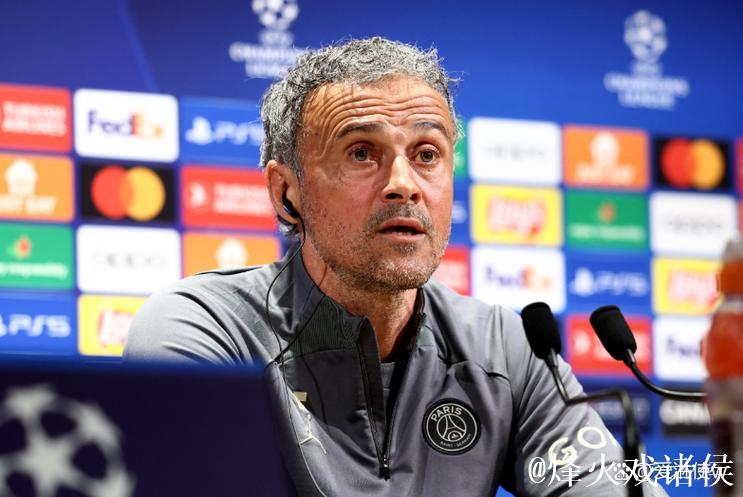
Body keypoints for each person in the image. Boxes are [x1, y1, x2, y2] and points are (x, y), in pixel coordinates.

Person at [125, 37, 667, 497]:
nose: (404, 184)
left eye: (427, 154)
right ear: (287, 192)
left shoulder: (508, 348)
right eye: (362, 153)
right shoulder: (204, 332)